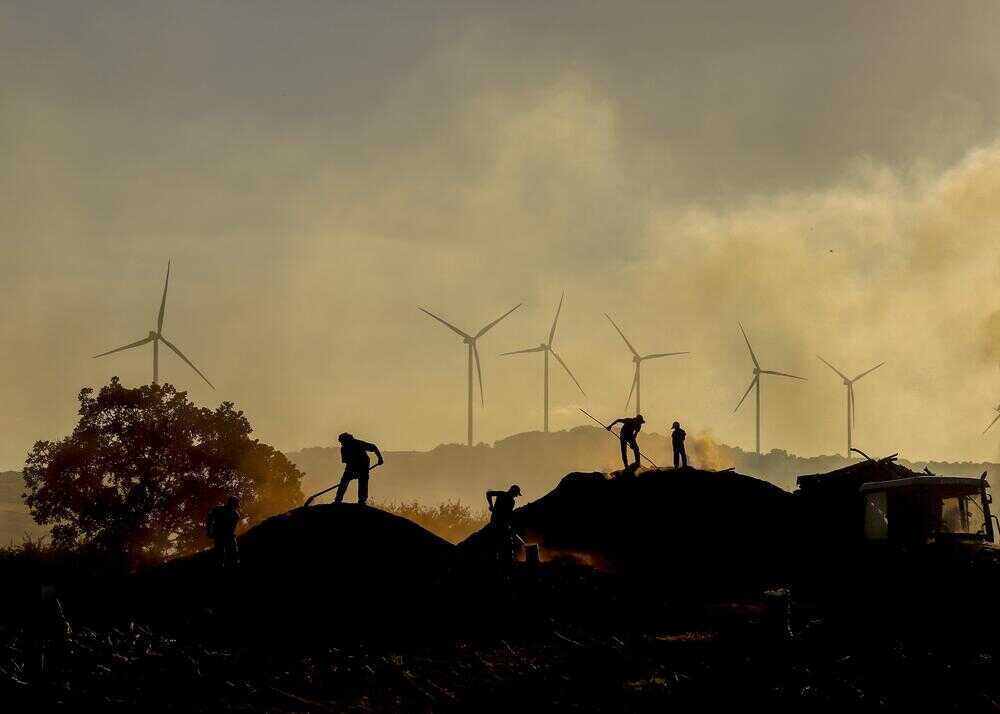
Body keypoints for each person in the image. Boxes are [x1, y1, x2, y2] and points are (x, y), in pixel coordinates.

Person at [335, 432, 384, 505]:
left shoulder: (358, 443)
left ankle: (362, 501)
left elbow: (373, 447)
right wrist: (353, 473)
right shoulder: (344, 448)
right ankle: (338, 499)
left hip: (363, 466)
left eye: (342, 442)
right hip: (351, 466)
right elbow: (347, 461)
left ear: (347, 440)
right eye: (341, 442)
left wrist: (380, 458)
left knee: (362, 482)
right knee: (344, 482)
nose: (341, 444)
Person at [486, 485, 522, 569]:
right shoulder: (511, 501)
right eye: (516, 494)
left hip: (495, 523)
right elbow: (508, 516)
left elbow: (488, 493)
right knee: (505, 546)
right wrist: (511, 527)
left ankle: (497, 563)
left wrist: (491, 505)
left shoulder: (501, 494)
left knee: (496, 545)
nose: (516, 496)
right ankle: (504, 565)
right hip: (500, 525)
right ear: (513, 491)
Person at [206, 496, 241, 568]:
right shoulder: (219, 510)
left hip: (226, 535)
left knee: (232, 553)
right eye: (235, 504)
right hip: (220, 535)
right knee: (221, 553)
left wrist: (210, 530)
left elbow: (232, 528)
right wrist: (209, 530)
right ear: (232, 503)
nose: (236, 506)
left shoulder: (235, 514)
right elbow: (210, 518)